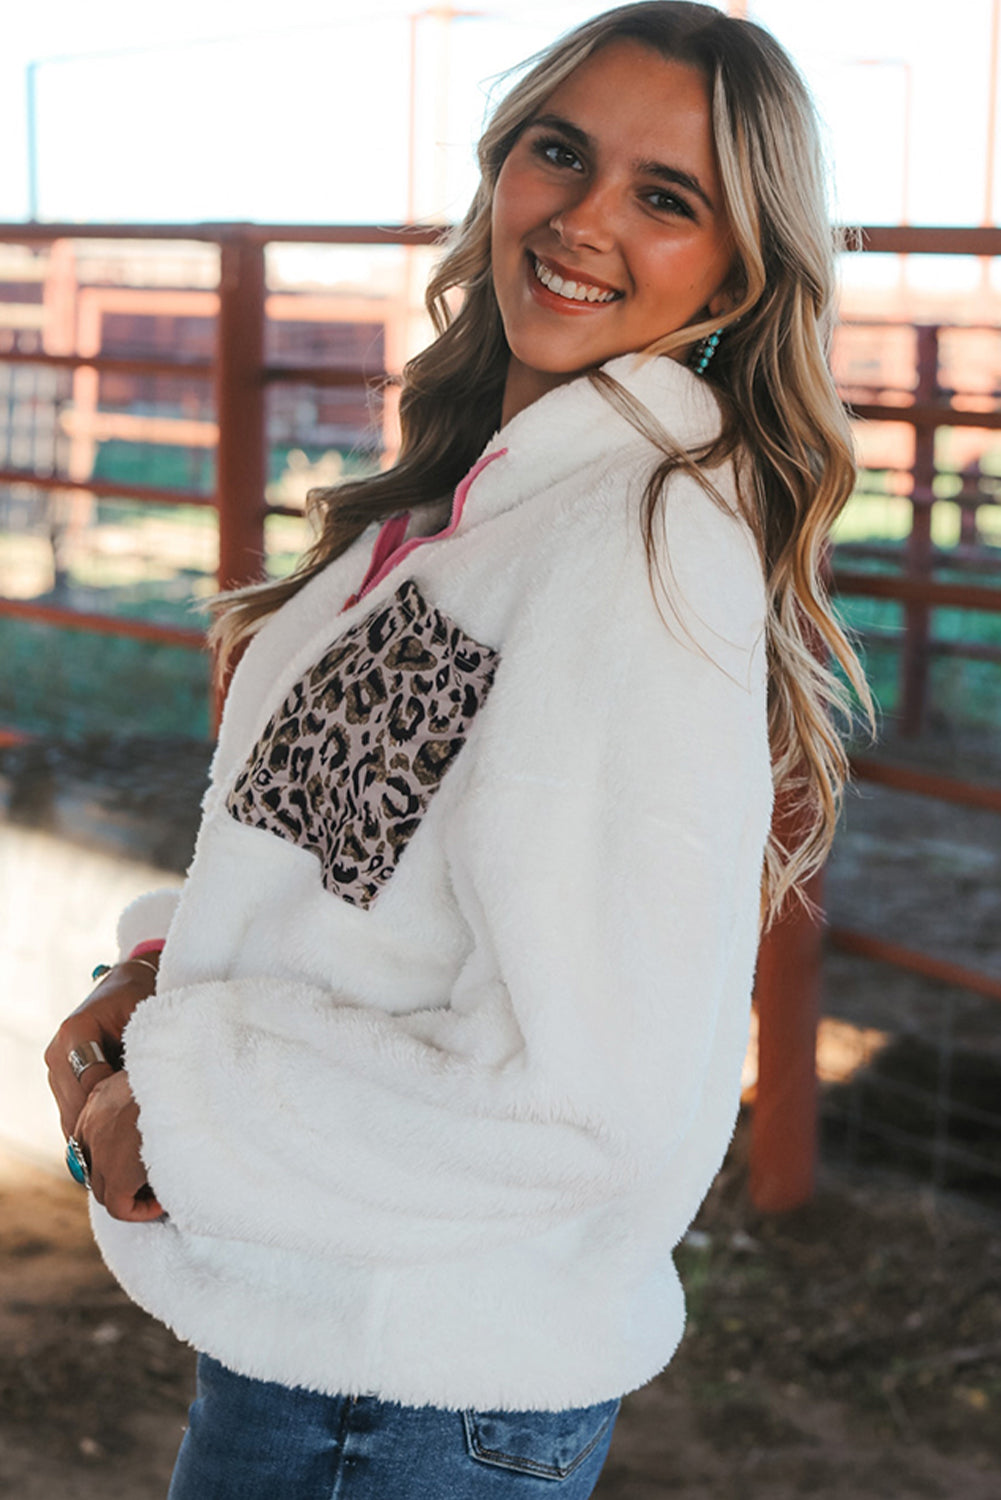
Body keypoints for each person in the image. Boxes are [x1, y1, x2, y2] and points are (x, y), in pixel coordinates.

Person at [45, 4, 871, 1496]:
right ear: (500, 166)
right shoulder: (475, 505)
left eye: (663, 197)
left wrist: (174, 1106)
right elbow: (374, 871)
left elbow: (581, 1100)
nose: (581, 220)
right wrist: (153, 978)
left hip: (409, 1398)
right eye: (559, 152)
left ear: (738, 272)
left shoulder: (638, 543)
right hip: (329, 1354)